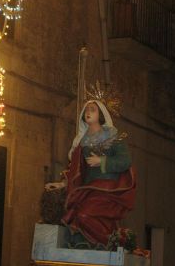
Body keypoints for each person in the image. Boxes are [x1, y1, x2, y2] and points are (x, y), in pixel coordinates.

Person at [45, 100, 136, 248]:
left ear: (100, 114)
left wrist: (102, 161)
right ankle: (100, 243)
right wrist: (63, 183)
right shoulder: (83, 141)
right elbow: (76, 168)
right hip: (88, 189)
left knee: (83, 215)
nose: (88, 112)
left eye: (92, 110)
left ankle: (110, 243)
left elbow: (125, 161)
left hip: (108, 189)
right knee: (77, 215)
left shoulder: (113, 136)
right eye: (86, 110)